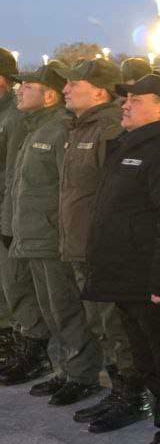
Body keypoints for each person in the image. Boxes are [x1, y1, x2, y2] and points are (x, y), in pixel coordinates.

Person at [81, 76, 160, 444]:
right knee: (149, 364)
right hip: (125, 277)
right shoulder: (132, 145)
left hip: (149, 281)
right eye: (125, 98)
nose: (125, 105)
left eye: (136, 99)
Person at [11, 62, 106, 407]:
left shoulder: (58, 131)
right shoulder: (39, 129)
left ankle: (82, 374)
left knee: (67, 308)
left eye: (28, 86)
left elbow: (68, 190)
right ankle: (66, 370)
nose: (20, 90)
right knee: (52, 309)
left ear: (47, 94)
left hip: (52, 235)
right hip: (33, 233)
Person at [59, 58, 139, 425]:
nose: (65, 89)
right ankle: (118, 389)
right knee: (97, 321)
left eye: (73, 83)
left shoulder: (107, 127)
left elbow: (117, 194)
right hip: (79, 243)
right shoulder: (80, 127)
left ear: (99, 91)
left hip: (100, 246)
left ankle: (134, 395)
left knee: (114, 324)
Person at [0, 48, 52, 387]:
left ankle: (29, 348)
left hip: (15, 214)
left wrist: (8, 221)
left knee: (18, 285)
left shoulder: (16, 117)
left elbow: (13, 174)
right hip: (11, 211)